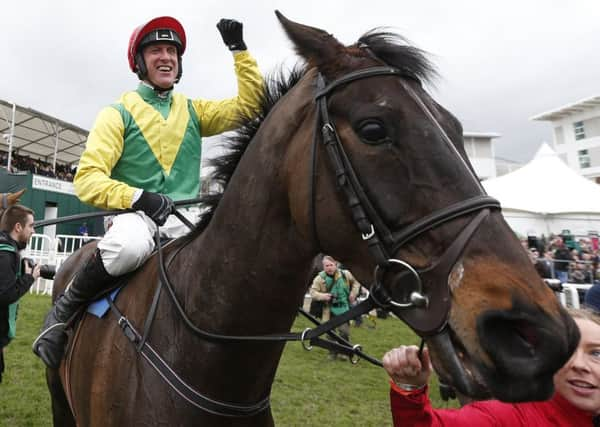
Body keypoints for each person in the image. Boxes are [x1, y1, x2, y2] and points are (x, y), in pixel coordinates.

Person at [33, 16, 264, 369]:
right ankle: (63, 313)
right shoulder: (118, 112)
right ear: (139, 62)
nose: (166, 57)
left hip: (187, 218)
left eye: (171, 50)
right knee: (127, 246)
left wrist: (239, 51)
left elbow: (250, 106)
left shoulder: (193, 110)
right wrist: (138, 197)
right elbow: (88, 179)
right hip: (137, 218)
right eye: (155, 50)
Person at [382, 308, 600, 426]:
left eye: (596, 353)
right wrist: (409, 390)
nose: (579, 364)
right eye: (568, 350)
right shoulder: (505, 417)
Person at [0, 205, 40, 383]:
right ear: (18, 227)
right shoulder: (6, 254)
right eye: (31, 226)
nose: (33, 231)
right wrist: (29, 279)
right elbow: (5, 295)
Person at [310, 255, 361, 360]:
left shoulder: (345, 274)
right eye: (326, 265)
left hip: (344, 310)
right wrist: (323, 296)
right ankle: (332, 353)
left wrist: (353, 293)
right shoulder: (319, 278)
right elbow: (313, 292)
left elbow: (356, 281)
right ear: (323, 267)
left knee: (344, 332)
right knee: (330, 334)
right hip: (328, 311)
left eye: (331, 265)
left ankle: (345, 353)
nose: (329, 267)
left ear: (336, 265)